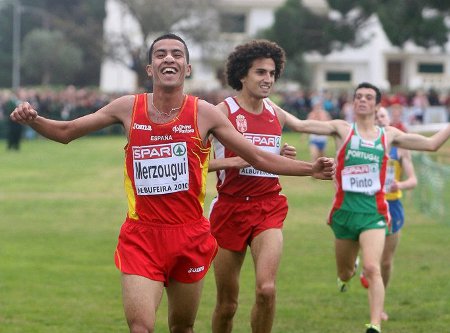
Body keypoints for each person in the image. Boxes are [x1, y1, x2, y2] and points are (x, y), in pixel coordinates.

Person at [10, 33, 335, 333]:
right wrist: (34, 120)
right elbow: (67, 132)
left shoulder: (205, 113)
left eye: (177, 54)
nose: (169, 58)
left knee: (182, 328)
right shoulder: (127, 107)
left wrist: (310, 168)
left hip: (189, 235)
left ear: (187, 67)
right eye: (161, 54)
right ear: (150, 68)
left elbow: (260, 157)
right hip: (143, 235)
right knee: (141, 328)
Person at [280, 82, 450, 333]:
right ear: (353, 102)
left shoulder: (389, 135)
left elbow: (432, 143)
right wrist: (262, 99)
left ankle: (374, 324)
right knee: (346, 272)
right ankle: (347, 274)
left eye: (368, 97)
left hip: (374, 212)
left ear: (377, 104)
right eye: (358, 96)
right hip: (344, 212)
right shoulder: (342, 129)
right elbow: (299, 125)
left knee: (373, 267)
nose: (362, 100)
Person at [209, 39, 324, 333]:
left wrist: (348, 128)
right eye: (260, 72)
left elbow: (303, 127)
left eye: (272, 73)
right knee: (227, 305)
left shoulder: (276, 112)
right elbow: (194, 164)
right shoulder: (221, 112)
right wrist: (232, 163)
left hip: (267, 208)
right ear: (242, 75)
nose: (268, 79)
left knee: (266, 290)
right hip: (229, 210)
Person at [359, 107, 418, 321]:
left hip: (393, 207)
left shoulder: (401, 148)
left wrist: (399, 184)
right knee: (371, 261)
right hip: (367, 204)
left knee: (385, 262)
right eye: (375, 117)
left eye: (382, 116)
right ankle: (364, 267)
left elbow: (413, 180)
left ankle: (379, 303)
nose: (379, 119)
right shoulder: (364, 146)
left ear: (389, 119)